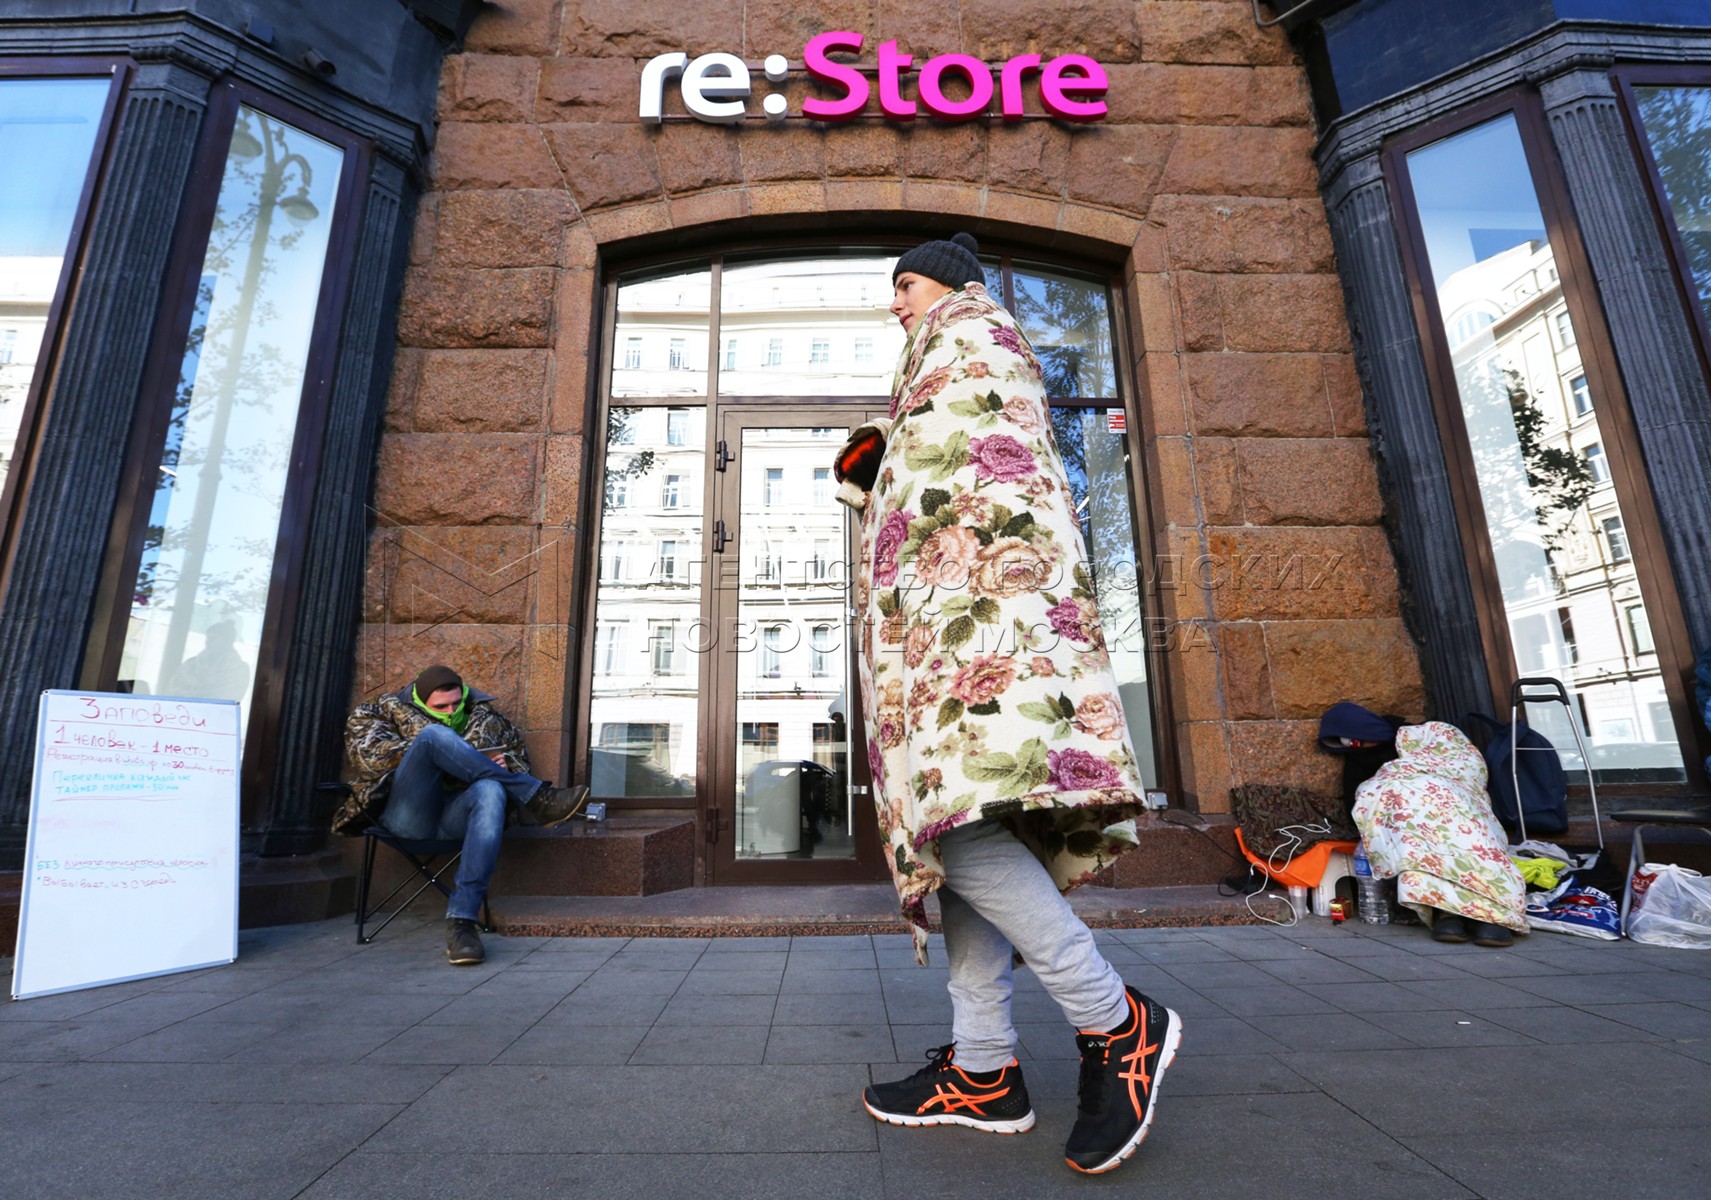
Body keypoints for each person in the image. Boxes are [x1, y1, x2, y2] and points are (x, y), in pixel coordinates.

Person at [837, 233, 1181, 1176]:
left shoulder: (970, 335)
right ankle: (984, 1069)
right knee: (967, 831)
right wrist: (878, 477)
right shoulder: (951, 355)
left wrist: (885, 478)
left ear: (947, 284)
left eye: (904, 284)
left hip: (980, 639)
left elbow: (971, 485)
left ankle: (1115, 1019)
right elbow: (951, 479)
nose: (895, 303)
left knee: (954, 827)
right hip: (973, 631)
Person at [336, 664, 586, 965]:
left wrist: (504, 767)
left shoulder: (489, 719)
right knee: (433, 736)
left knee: (491, 788)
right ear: (419, 701)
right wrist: (444, 756)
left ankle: (462, 923)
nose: (451, 710)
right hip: (408, 816)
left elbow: (519, 760)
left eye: (456, 703)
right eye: (441, 706)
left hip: (459, 818)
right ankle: (536, 798)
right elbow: (369, 761)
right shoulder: (378, 712)